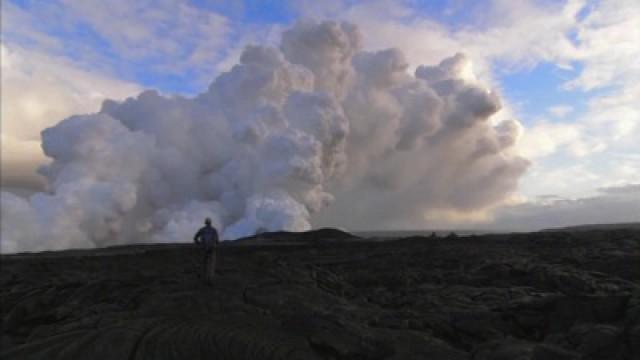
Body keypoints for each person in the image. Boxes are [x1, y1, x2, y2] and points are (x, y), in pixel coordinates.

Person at [193, 218, 219, 285]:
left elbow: (195, 238)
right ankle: (210, 279)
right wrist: (215, 245)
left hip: (203, 249)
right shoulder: (214, 230)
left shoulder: (202, 230)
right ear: (210, 223)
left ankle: (203, 278)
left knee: (203, 264)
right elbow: (217, 241)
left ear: (205, 223)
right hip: (212, 249)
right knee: (211, 265)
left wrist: (199, 244)